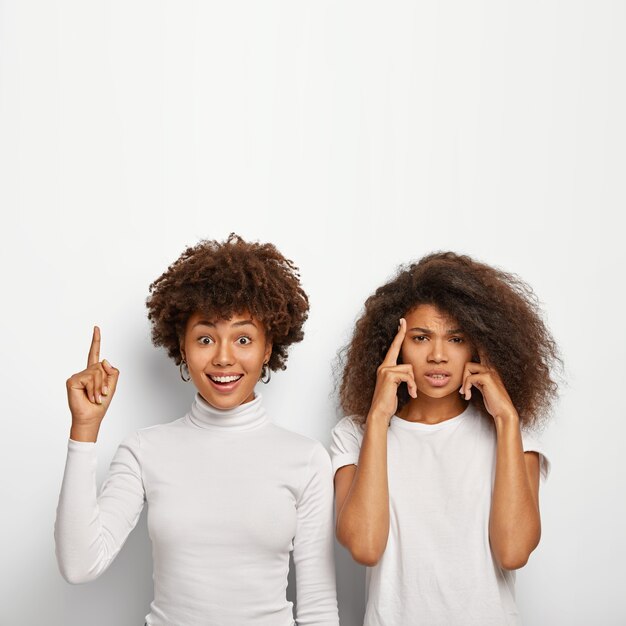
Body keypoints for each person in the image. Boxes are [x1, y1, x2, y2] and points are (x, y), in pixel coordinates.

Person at [55, 234, 339, 626]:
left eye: (243, 338)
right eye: (205, 338)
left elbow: (318, 606)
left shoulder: (306, 459)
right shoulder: (143, 450)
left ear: (268, 348)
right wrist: (83, 430)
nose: (223, 357)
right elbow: (80, 565)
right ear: (183, 348)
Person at [331, 252, 560, 626]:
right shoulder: (355, 433)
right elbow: (366, 546)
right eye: (421, 338)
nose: (438, 356)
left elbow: (513, 552)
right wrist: (377, 417)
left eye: (456, 338)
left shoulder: (512, 433)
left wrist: (506, 419)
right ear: (395, 345)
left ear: (479, 346)